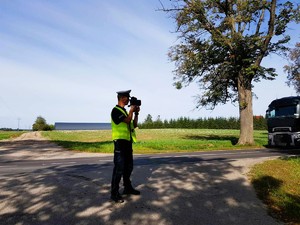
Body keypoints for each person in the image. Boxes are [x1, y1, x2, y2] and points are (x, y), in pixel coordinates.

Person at [110, 90, 140, 203]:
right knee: (118, 169)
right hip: (120, 143)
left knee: (128, 167)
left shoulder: (125, 111)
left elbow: (134, 124)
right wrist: (131, 110)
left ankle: (127, 188)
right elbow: (127, 120)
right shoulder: (115, 111)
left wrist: (136, 113)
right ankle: (114, 193)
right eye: (128, 97)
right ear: (122, 98)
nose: (129, 99)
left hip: (128, 143)